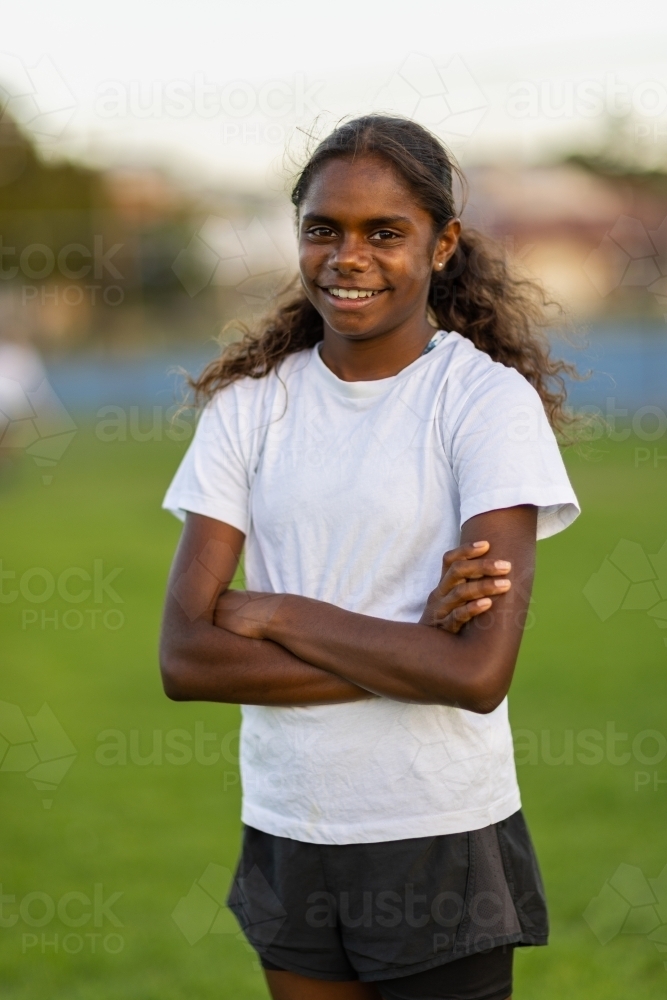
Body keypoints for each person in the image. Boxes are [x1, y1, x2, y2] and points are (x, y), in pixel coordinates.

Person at [160, 115, 580, 1000]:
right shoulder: (247, 407)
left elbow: (476, 673)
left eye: (384, 232)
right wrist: (410, 648)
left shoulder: (482, 406)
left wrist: (279, 613)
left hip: (434, 826)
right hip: (287, 820)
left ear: (442, 244)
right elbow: (186, 658)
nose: (347, 256)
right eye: (323, 229)